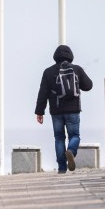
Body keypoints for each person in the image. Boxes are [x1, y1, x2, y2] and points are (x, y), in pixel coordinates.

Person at [34, 45, 93, 174]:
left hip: (56, 111)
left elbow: (42, 93)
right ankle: (71, 151)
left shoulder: (48, 72)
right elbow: (89, 86)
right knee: (74, 135)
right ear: (71, 56)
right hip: (73, 110)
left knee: (59, 138)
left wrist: (39, 111)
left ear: (55, 56)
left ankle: (62, 168)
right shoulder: (76, 69)